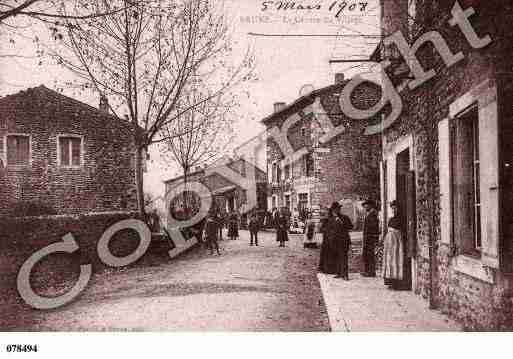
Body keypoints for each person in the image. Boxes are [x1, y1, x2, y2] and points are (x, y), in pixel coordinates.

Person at [383, 200, 404, 289]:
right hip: (389, 243)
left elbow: (401, 232)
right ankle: (390, 280)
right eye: (392, 209)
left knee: (396, 260)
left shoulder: (401, 219)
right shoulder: (391, 219)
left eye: (395, 208)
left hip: (397, 243)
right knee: (389, 260)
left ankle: (397, 282)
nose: (394, 210)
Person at [330, 202, 353, 280]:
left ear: (339, 209)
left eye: (337, 209)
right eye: (334, 210)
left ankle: (345, 274)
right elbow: (330, 230)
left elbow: (350, 226)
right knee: (337, 257)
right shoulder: (332, 219)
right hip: (335, 241)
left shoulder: (344, 217)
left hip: (343, 241)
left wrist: (342, 223)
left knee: (343, 257)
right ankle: (339, 273)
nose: (335, 211)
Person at [361, 199, 380, 277]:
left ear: (370, 205)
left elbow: (373, 227)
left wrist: (373, 237)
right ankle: (367, 271)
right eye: (364, 205)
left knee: (370, 254)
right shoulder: (368, 213)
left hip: (370, 237)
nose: (365, 206)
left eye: (366, 205)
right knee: (366, 254)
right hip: (367, 237)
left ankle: (371, 272)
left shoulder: (373, 214)